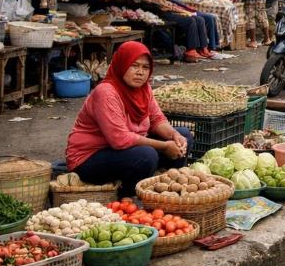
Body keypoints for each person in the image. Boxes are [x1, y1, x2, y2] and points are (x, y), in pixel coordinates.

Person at [66, 43, 192, 197]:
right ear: (122, 64)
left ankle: (168, 188)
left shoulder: (144, 89)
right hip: (89, 157)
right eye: (134, 66)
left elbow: (156, 119)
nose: (140, 72)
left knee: (184, 135)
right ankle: (127, 194)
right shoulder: (106, 92)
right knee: (146, 156)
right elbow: (119, 139)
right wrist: (165, 146)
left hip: (124, 149)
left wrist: (174, 136)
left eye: (145, 68)